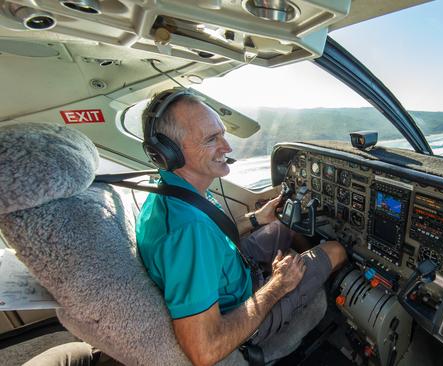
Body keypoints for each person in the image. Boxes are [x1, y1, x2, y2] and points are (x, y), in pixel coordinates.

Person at [135, 90, 347, 366]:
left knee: (285, 225)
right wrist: (277, 285)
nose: (227, 147)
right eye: (211, 139)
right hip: (242, 313)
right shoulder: (188, 232)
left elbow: (212, 233)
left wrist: (257, 219)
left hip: (232, 270)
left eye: (222, 134)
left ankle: (307, 281)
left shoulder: (173, 193)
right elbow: (205, 350)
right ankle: (333, 307)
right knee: (335, 249)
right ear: (169, 153)